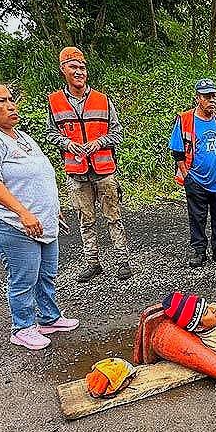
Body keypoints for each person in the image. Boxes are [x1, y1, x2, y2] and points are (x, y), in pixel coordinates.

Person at [0, 78, 79, 351]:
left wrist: (51, 209)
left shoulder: (21, 136)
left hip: (41, 221)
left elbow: (38, 178)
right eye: (1, 101)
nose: (11, 106)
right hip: (13, 224)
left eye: (11, 99)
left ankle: (49, 318)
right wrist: (23, 213)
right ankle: (22, 327)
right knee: (24, 277)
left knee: (46, 273)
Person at [46, 47, 131, 283]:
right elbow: (51, 133)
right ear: (63, 70)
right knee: (86, 219)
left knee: (113, 216)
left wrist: (99, 142)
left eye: (82, 67)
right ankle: (93, 262)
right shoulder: (55, 102)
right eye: (73, 67)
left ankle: (122, 261)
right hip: (76, 172)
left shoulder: (102, 100)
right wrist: (66, 144)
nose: (79, 72)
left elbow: (117, 132)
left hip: (104, 170)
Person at [170, 78, 216, 268]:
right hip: (196, 181)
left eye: (214, 96)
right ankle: (199, 251)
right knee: (197, 218)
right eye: (207, 96)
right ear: (197, 98)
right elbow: (177, 152)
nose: (212, 100)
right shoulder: (185, 120)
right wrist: (187, 176)